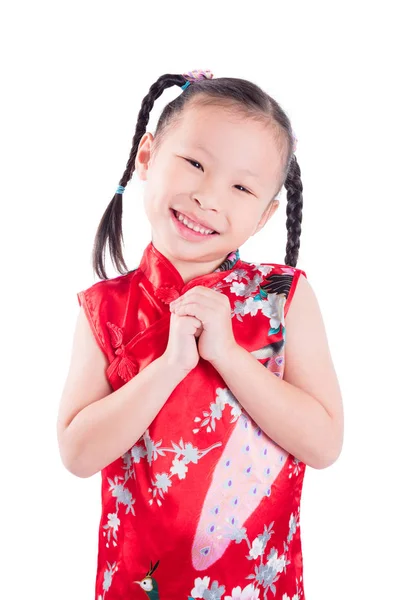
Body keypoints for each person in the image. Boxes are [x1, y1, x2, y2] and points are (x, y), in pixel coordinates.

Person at [57, 69, 344, 599]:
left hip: (260, 585)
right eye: (194, 163)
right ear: (147, 156)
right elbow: (77, 453)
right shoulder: (107, 309)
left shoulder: (284, 298)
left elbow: (324, 444)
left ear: (264, 216)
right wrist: (170, 366)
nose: (207, 196)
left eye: (241, 186)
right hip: (137, 586)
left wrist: (231, 356)